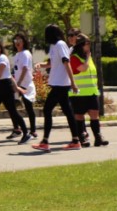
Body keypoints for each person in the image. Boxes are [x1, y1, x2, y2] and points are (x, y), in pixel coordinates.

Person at [32, 24, 81, 152]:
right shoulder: (54, 46)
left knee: (47, 109)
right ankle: (76, 140)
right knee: (68, 112)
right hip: (58, 84)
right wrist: (40, 65)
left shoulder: (60, 44)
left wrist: (73, 82)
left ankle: (45, 141)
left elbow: (66, 62)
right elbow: (51, 63)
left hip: (61, 84)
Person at [68, 34, 108, 147]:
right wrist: (88, 58)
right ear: (81, 45)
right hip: (78, 94)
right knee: (79, 116)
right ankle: (82, 137)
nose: (89, 46)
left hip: (92, 92)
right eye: (87, 43)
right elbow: (83, 68)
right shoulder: (74, 58)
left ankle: (98, 137)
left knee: (95, 115)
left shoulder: (88, 58)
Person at [10, 33, 38, 140]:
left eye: (19, 40)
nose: (17, 42)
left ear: (24, 42)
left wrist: (19, 83)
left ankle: (33, 130)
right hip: (18, 84)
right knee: (12, 106)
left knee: (28, 107)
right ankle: (17, 129)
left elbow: (26, 69)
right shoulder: (17, 55)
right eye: (15, 40)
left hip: (25, 85)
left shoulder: (26, 53)